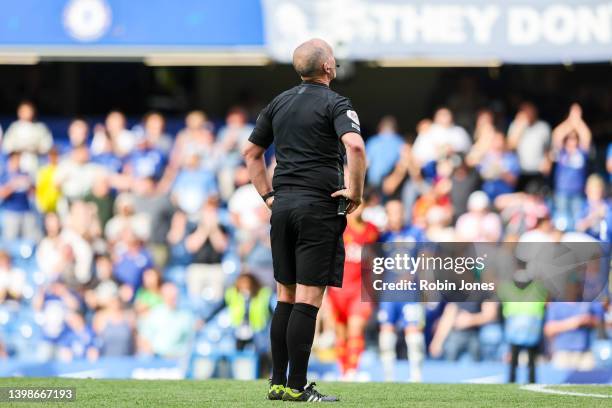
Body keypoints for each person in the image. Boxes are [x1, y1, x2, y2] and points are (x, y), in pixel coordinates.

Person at [243, 38, 366, 402]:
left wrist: (268, 195)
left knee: (285, 296)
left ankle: (278, 383)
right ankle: (297, 386)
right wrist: (355, 191)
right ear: (328, 67)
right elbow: (355, 146)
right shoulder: (336, 103)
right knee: (308, 300)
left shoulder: (278, 102)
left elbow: (251, 153)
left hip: (282, 208)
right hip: (318, 207)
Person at [327, 204, 378, 380]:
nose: (358, 208)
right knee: (341, 333)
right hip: (337, 290)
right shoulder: (338, 226)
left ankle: (352, 371)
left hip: (360, 290)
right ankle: (344, 370)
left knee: (356, 329)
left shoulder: (372, 230)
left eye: (362, 203)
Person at [551, 104, 591, 231]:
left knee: (577, 224)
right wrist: (571, 119)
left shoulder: (581, 152)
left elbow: (586, 135)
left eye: (574, 138)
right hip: (562, 192)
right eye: (569, 138)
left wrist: (578, 120)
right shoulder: (561, 152)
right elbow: (557, 134)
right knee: (561, 224)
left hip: (578, 193)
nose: (571, 141)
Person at [507, 102, 551, 188]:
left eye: (530, 111)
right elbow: (510, 146)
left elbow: (548, 148)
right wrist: (520, 126)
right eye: (525, 111)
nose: (528, 113)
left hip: (536, 170)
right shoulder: (515, 126)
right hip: (519, 171)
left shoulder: (543, 127)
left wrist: (548, 161)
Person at [365, 116, 404, 188]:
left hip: (374, 182)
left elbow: (366, 163)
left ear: (380, 128)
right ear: (395, 129)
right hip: (391, 183)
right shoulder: (400, 142)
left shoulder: (373, 141)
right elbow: (402, 164)